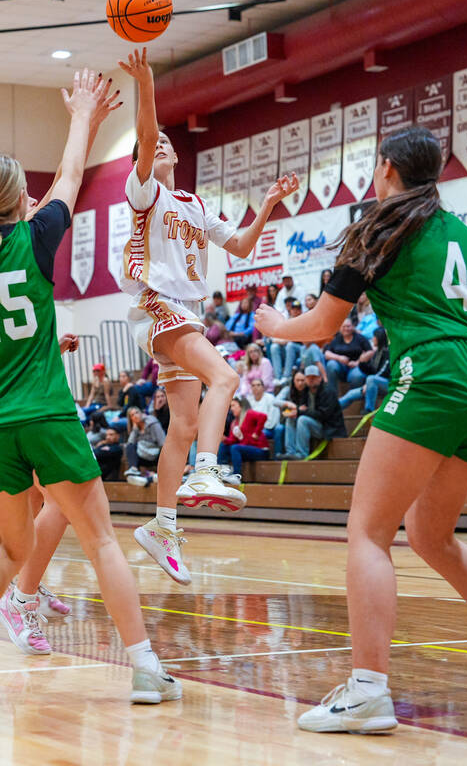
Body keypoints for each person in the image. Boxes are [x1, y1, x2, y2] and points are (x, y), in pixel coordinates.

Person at [255, 125, 467, 733]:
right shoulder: (464, 235)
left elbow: (322, 326)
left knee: (368, 534)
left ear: (389, 169)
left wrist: (273, 325)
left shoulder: (378, 226)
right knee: (431, 534)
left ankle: (368, 690)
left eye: (377, 166)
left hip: (431, 374)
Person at [0, 69, 181, 704]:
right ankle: (143, 667)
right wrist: (83, 115)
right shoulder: (38, 234)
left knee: (9, 547)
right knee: (101, 537)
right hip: (46, 414)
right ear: (21, 196)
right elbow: (72, 176)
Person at [116, 46, 299, 585]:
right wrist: (146, 83)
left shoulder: (195, 204)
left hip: (187, 309)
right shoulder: (143, 193)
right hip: (161, 305)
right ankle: (207, 471)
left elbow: (241, 247)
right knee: (227, 375)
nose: (164, 144)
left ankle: (163, 524)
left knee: (186, 424)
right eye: (157, 144)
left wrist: (266, 204)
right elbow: (147, 137)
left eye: (171, 142)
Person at [283, 365, 346, 459]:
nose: (311, 379)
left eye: (314, 377)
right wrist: (296, 411)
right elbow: (302, 409)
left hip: (329, 428)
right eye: (308, 377)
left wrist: (302, 412)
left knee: (302, 420)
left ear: (320, 378)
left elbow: (322, 415)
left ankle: (301, 454)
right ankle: (290, 452)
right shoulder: (306, 391)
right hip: (315, 423)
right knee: (291, 418)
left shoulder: (328, 392)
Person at [339, 327, 390, 412]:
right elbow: (371, 370)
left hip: (388, 384)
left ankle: (369, 409)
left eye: (374, 336)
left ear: (379, 338)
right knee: (350, 394)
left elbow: (384, 372)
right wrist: (362, 362)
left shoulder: (388, 352)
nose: (372, 339)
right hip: (374, 385)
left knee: (371, 379)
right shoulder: (377, 352)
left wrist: (369, 383)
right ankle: (330, 411)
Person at [218, 397, 271, 476]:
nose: (231, 409)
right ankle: (223, 470)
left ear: (241, 406)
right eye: (230, 406)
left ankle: (237, 475)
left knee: (235, 448)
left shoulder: (249, 413)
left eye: (233, 406)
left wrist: (256, 433)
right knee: (224, 446)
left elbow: (263, 417)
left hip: (261, 450)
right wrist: (223, 439)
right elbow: (232, 440)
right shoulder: (234, 422)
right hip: (247, 449)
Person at [323, 318, 372, 395]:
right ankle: (332, 395)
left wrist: (358, 362)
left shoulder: (360, 338)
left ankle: (354, 398)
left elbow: (370, 351)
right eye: (344, 326)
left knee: (357, 376)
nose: (346, 329)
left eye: (348, 326)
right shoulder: (337, 338)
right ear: (340, 328)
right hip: (341, 367)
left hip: (356, 367)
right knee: (331, 364)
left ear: (352, 327)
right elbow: (327, 353)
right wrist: (339, 358)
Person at [124, 406, 165, 484]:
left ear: (141, 413)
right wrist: (135, 429)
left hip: (156, 455)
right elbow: (130, 443)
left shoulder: (152, 423)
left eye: (137, 412)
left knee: (164, 450)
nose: (135, 416)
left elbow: (162, 443)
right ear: (131, 419)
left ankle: (150, 477)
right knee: (129, 447)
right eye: (132, 415)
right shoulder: (135, 429)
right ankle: (134, 470)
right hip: (144, 455)